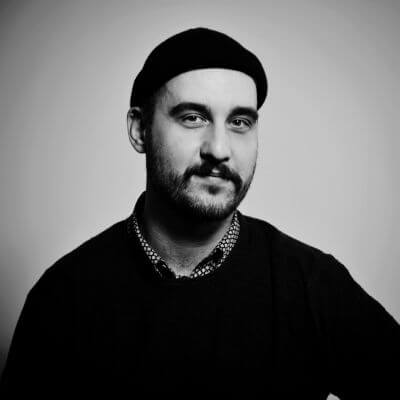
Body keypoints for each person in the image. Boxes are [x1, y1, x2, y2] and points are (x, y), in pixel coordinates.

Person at [0, 27, 398, 399]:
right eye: (193, 118)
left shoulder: (313, 285)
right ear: (139, 129)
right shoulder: (64, 297)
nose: (219, 149)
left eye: (240, 122)